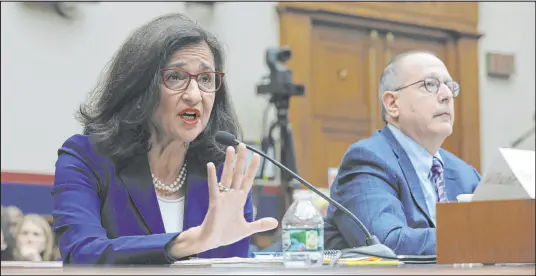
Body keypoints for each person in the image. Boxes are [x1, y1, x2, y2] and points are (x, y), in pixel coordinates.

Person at [52, 13, 278, 265]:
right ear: (139, 86)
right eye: (176, 77)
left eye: (205, 79)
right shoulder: (86, 158)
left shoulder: (223, 174)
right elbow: (81, 255)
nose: (194, 95)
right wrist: (188, 242)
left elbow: (230, 265)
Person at [324, 51, 481, 255]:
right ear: (392, 104)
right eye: (430, 84)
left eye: (450, 86)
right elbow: (388, 244)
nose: (446, 95)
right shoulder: (367, 159)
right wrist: (479, 237)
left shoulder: (465, 174)